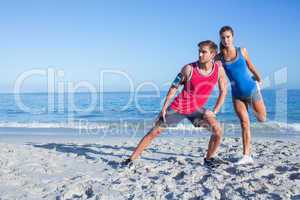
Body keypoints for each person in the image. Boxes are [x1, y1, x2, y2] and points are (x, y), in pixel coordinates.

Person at [121, 40, 227, 168]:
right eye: (199, 51)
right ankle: (131, 159)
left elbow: (223, 91)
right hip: (179, 107)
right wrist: (164, 108)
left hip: (196, 109)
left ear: (212, 54)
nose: (200, 55)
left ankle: (209, 158)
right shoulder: (189, 69)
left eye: (203, 52)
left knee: (217, 131)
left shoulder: (218, 70)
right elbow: (174, 86)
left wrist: (214, 111)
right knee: (155, 132)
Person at [218, 26, 267, 165]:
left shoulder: (242, 50)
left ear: (232, 37)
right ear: (220, 39)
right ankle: (246, 155)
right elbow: (207, 63)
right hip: (237, 95)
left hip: (252, 89)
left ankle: (255, 106)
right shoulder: (219, 57)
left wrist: (259, 79)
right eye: (223, 37)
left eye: (228, 36)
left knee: (262, 118)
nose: (226, 40)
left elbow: (250, 66)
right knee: (245, 123)